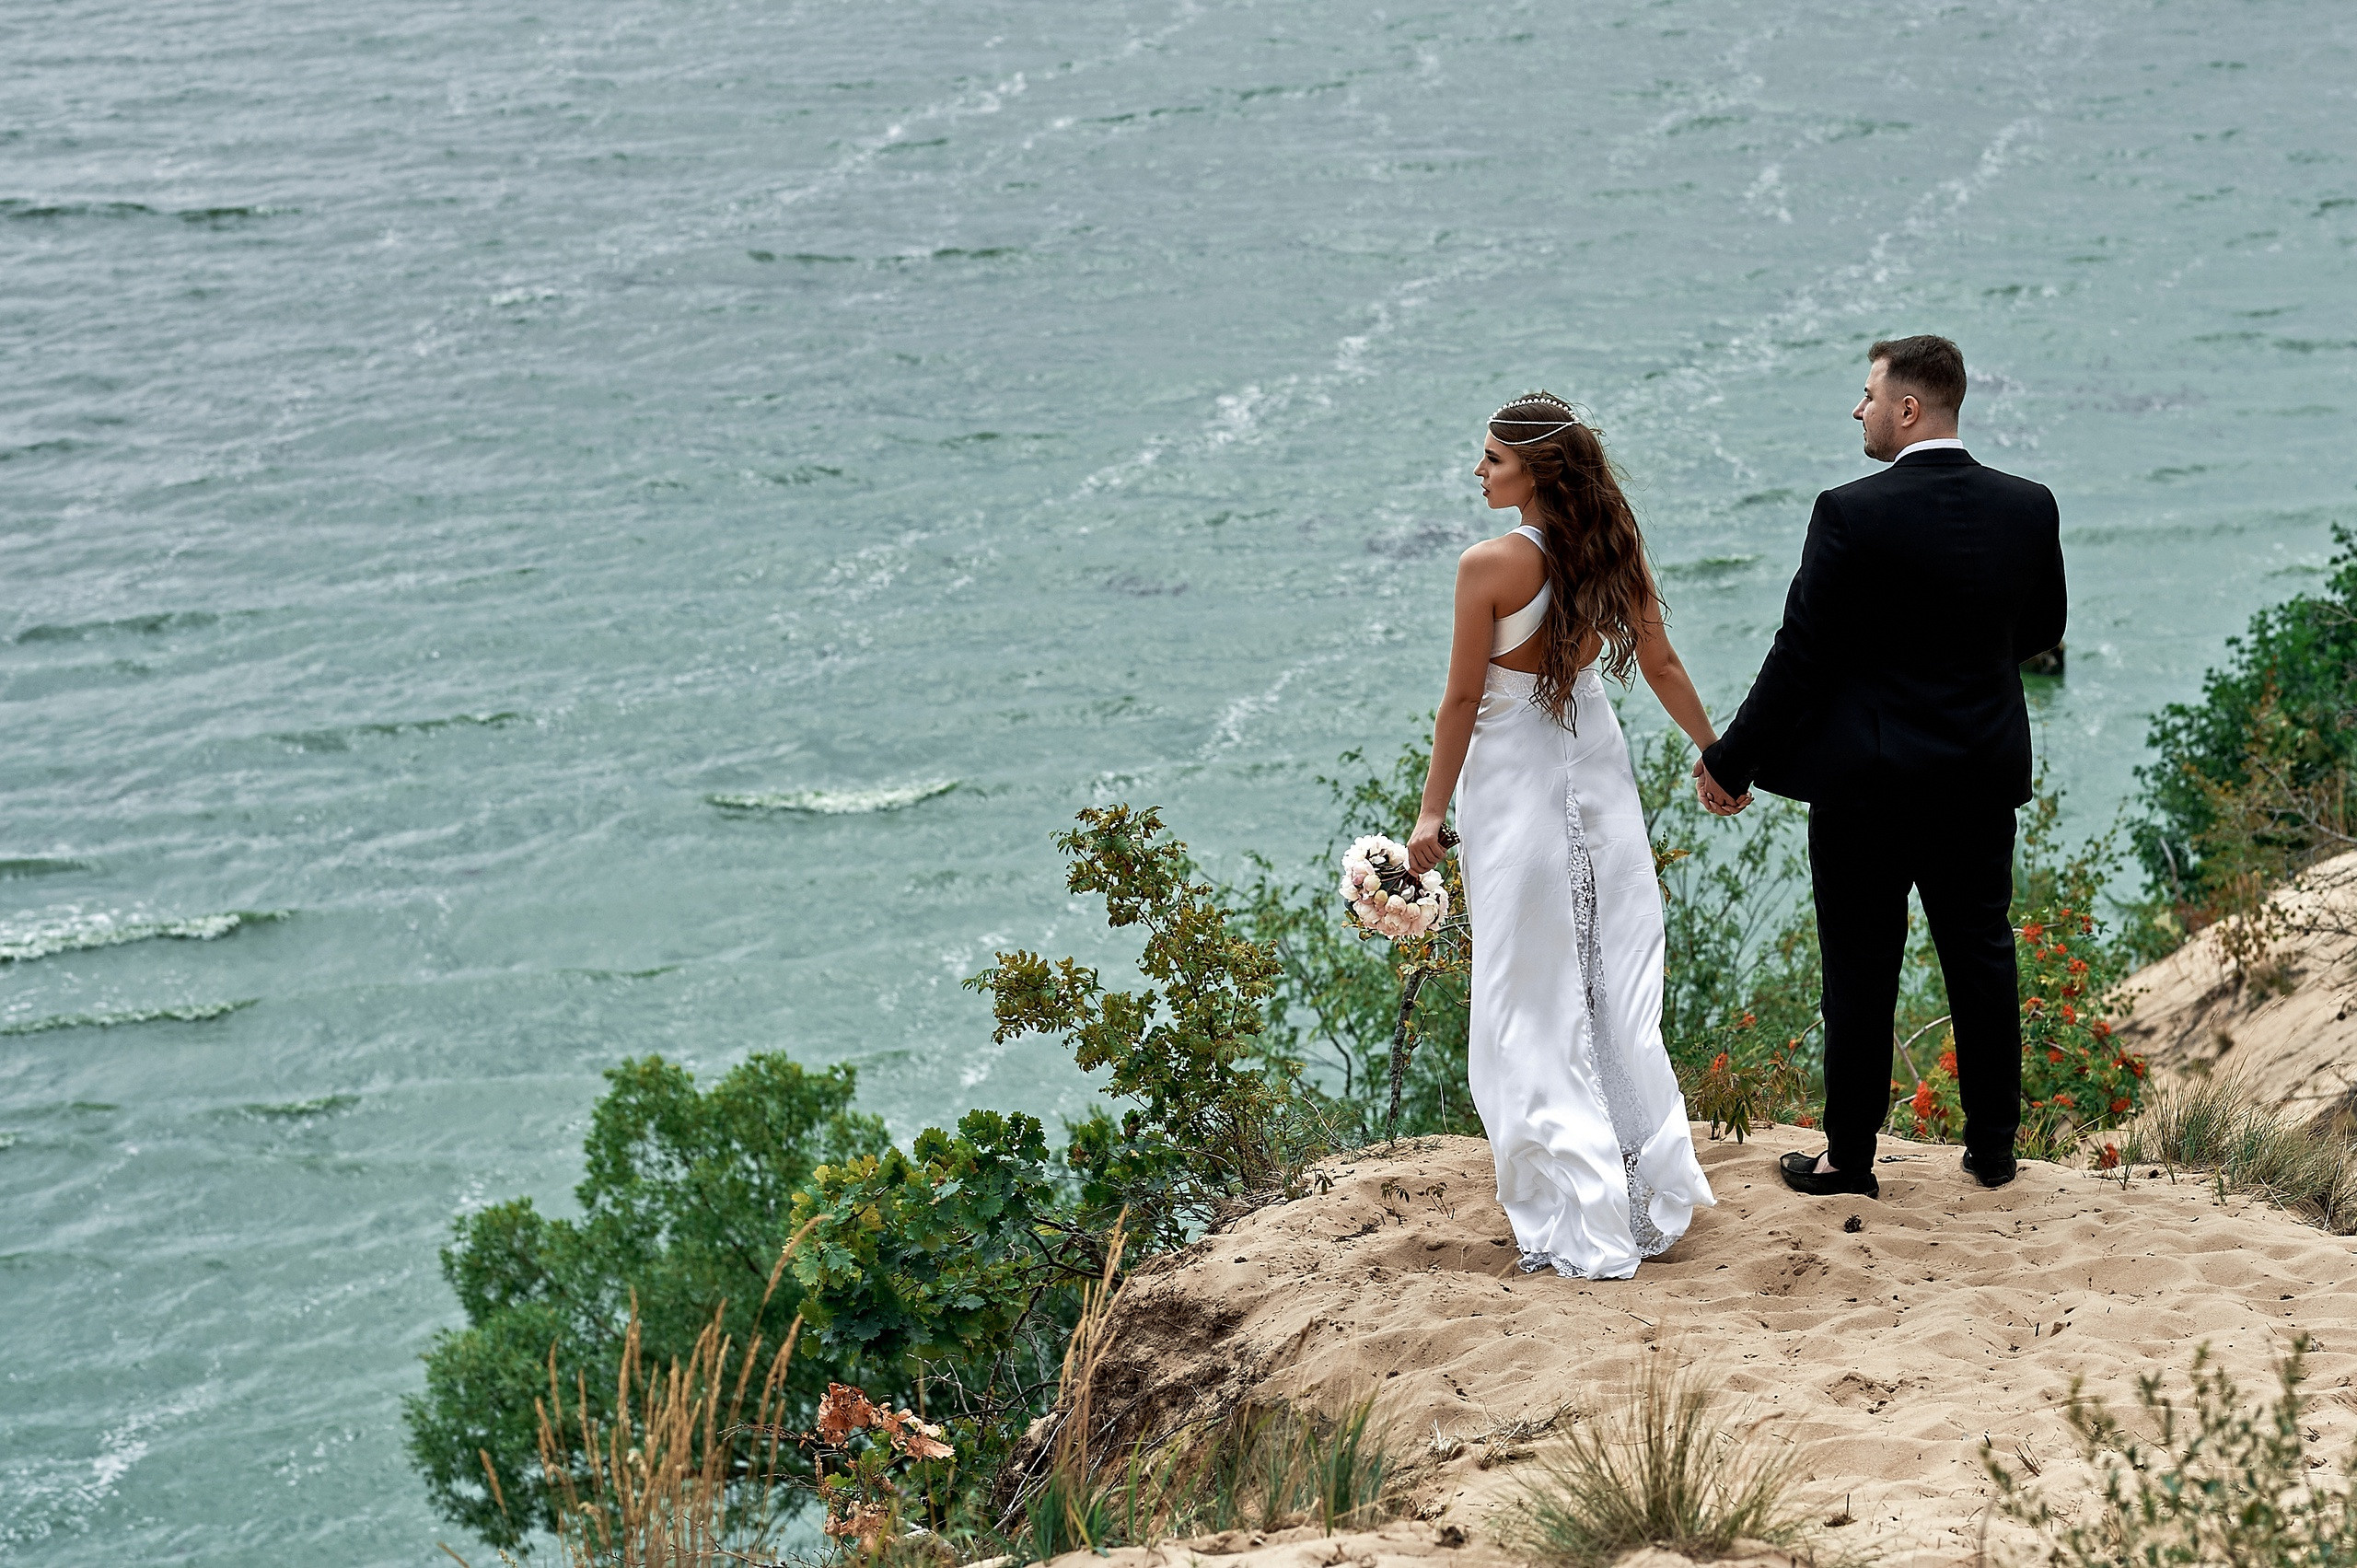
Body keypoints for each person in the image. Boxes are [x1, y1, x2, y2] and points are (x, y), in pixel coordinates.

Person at [1696, 335, 2067, 1199]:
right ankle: (1994, 1150)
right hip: (1978, 774)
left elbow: (1800, 656)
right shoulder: (2029, 504)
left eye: (1867, 396)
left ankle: (1849, 1160)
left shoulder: (1850, 512)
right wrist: (1963, 667)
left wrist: (1730, 758)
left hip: (1869, 786)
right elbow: (2042, 628)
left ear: (1908, 407)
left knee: (1861, 965)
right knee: (1981, 953)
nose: (1857, 410)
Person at [1405, 394, 1718, 1280]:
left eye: (1493, 459)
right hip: (1600, 783)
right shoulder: (1609, 549)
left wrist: (1430, 816)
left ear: (1535, 472)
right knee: (1608, 983)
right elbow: (1659, 662)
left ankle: (1574, 1209)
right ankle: (1632, 1185)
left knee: (1527, 997)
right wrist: (1714, 754)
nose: (1480, 471)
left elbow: (1463, 701)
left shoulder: (1489, 566)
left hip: (1514, 795)